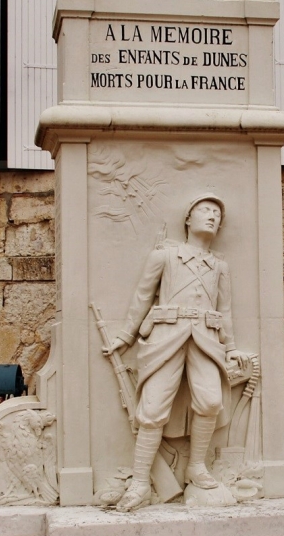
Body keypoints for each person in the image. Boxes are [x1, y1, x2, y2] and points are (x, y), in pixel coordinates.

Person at [106, 196, 247, 512]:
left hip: (206, 339)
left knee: (210, 401)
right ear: (188, 219)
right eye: (204, 211)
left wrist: (233, 347)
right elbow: (143, 296)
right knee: (153, 409)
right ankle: (141, 483)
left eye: (216, 214)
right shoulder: (165, 256)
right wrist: (126, 336)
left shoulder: (219, 266)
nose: (211, 217)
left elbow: (224, 311)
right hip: (166, 336)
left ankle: (196, 467)